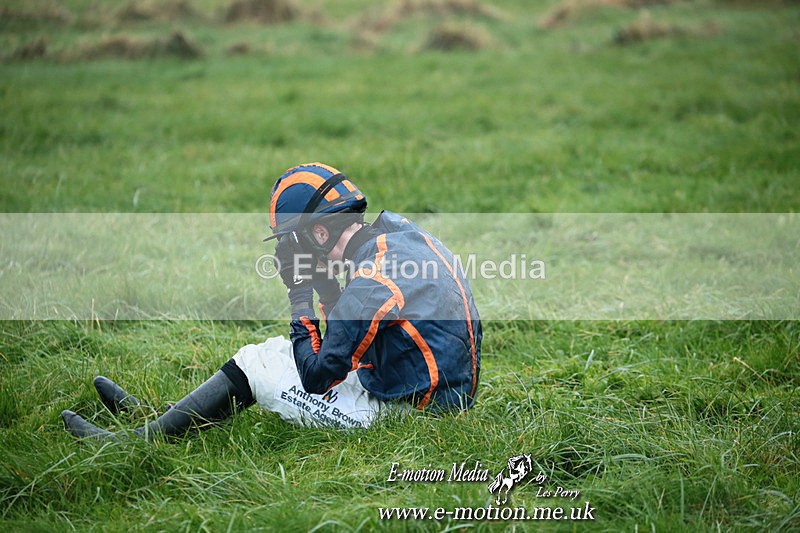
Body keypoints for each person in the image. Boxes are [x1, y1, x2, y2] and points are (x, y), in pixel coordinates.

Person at [62, 162, 481, 440]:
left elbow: (318, 376)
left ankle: (139, 441)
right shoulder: (399, 236)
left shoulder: (371, 279)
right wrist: (323, 282)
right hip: (435, 398)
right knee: (279, 354)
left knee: (258, 362)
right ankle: (163, 417)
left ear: (320, 233)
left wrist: (299, 294)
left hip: (411, 420)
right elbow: (357, 337)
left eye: (294, 240)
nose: (291, 250)